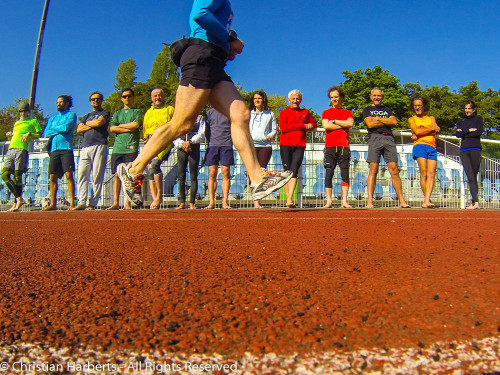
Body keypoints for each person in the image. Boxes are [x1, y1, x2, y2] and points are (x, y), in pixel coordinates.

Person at [116, 0, 292, 206]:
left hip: (215, 62)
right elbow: (199, 14)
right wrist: (229, 38)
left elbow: (210, 24)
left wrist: (228, 44)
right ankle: (133, 169)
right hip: (201, 56)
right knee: (182, 123)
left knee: (241, 114)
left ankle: (257, 178)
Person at [363, 87, 410, 209]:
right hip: (375, 138)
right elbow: (370, 124)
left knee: (394, 169)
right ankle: (370, 201)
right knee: (373, 169)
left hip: (389, 138)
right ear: (371, 97)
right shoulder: (367, 110)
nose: (376, 98)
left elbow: (394, 122)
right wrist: (386, 121)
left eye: (379, 95)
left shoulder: (387, 109)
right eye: (374, 95)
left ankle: (402, 201)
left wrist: (378, 119)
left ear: (382, 97)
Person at [279, 89, 317, 208]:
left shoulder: (306, 112)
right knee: (287, 172)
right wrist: (302, 126)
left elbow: (314, 124)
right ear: (289, 100)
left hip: (299, 145)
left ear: (300, 100)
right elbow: (284, 128)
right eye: (293, 99)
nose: (296, 101)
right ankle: (288, 199)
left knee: (294, 171)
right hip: (286, 144)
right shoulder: (284, 113)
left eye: (298, 99)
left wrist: (309, 126)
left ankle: (290, 199)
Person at [73, 91, 110, 210]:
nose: (96, 101)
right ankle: (81, 202)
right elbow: (79, 129)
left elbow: (100, 122)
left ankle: (92, 203)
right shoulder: (87, 115)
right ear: (90, 101)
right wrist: (92, 124)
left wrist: (87, 125)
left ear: (101, 100)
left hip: (99, 145)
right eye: (93, 99)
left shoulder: (105, 112)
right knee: (82, 174)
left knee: (97, 176)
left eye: (98, 99)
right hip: (85, 146)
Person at [1, 102, 41, 212]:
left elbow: (38, 133)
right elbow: (15, 137)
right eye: (21, 111)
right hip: (11, 148)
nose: (22, 113)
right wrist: (10, 136)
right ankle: (19, 198)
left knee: (17, 176)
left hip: (22, 149)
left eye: (24, 111)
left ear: (28, 111)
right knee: (4, 174)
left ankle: (16, 202)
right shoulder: (17, 123)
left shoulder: (33, 121)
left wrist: (29, 134)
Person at [108, 88, 143, 210]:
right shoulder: (117, 113)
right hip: (118, 148)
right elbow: (112, 128)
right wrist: (127, 128)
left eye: (129, 96)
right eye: (124, 96)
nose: (127, 98)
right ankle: (116, 202)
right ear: (121, 98)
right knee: (118, 175)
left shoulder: (138, 112)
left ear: (133, 97)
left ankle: (128, 203)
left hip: (131, 147)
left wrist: (120, 126)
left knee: (130, 176)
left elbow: (135, 125)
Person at [42, 95, 77, 211]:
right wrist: (58, 128)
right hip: (53, 149)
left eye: (61, 102)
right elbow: (46, 132)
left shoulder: (71, 115)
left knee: (68, 175)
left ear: (67, 103)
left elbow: (66, 127)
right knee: (52, 176)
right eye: (57, 102)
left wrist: (54, 129)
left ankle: (72, 203)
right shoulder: (52, 118)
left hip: (66, 148)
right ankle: (53, 203)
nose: (58, 104)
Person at [321, 86, 354, 209]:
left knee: (344, 174)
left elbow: (350, 123)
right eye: (332, 97)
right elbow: (326, 126)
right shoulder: (326, 112)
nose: (334, 99)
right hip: (330, 146)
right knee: (329, 173)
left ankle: (344, 201)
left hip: (344, 146)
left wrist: (334, 121)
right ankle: (329, 201)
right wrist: (342, 124)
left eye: (336, 96)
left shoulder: (347, 112)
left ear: (341, 97)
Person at [143, 88, 175, 209]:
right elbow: (145, 130)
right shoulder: (148, 112)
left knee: (155, 164)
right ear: (152, 98)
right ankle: (154, 196)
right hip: (151, 142)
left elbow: (174, 125)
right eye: (155, 96)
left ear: (164, 96)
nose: (157, 98)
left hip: (164, 141)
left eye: (160, 95)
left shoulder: (170, 109)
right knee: (150, 169)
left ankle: (159, 197)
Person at [409, 97, 440, 208]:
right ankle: (426, 199)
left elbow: (437, 129)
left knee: (431, 174)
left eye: (419, 105)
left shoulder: (431, 118)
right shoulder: (412, 119)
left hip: (432, 146)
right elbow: (417, 131)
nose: (417, 107)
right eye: (415, 105)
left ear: (424, 106)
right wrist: (430, 130)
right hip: (419, 145)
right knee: (424, 173)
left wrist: (423, 131)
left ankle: (427, 200)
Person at [249, 90, 277, 208]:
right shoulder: (249, 114)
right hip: (251, 146)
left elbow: (275, 130)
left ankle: (258, 199)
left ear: (263, 100)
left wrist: (268, 136)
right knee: (252, 173)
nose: (257, 101)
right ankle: (255, 200)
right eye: (255, 99)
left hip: (265, 146)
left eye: (259, 98)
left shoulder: (270, 114)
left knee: (261, 172)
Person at [455, 100, 484, 210]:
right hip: (464, 150)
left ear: (474, 109)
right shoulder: (461, 121)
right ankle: (475, 202)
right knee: (470, 176)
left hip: (475, 149)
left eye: (469, 108)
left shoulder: (478, 119)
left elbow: (479, 132)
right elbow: (457, 134)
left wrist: (464, 132)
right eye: (466, 108)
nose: (467, 110)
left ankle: (474, 201)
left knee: (474, 175)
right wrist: (468, 130)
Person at [203, 108, 233, 209]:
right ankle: (211, 202)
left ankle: (225, 202)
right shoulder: (209, 113)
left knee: (225, 172)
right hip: (212, 146)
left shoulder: (229, 112)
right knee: (212, 173)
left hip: (226, 145)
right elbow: (206, 131)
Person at [174, 115, 205, 209]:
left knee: (193, 176)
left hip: (193, 148)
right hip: (181, 148)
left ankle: (192, 202)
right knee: (181, 176)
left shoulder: (199, 117)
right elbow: (174, 133)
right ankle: (182, 202)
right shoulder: (179, 116)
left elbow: (201, 134)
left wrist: (190, 142)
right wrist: (182, 144)